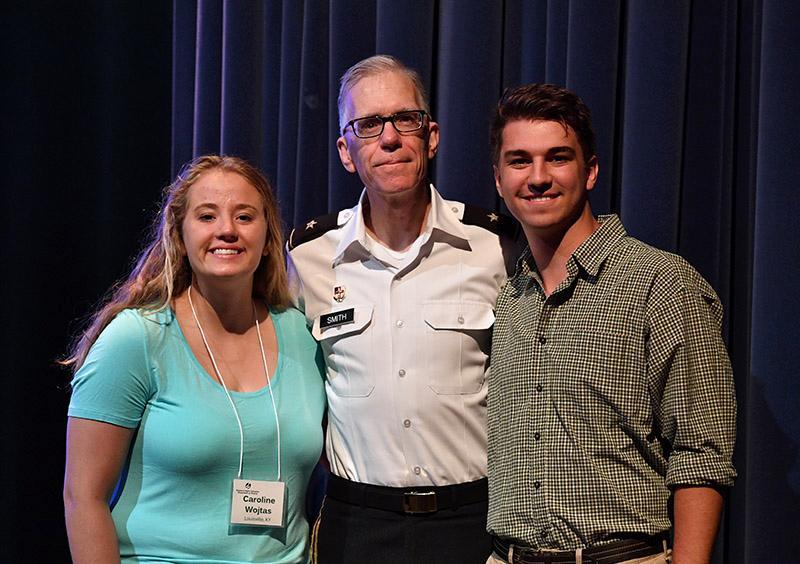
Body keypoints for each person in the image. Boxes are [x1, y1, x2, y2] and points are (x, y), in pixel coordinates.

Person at [486, 83, 737, 564]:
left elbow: (701, 454)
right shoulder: (510, 297)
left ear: (591, 171)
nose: (537, 177)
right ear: (499, 180)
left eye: (557, 158)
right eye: (519, 161)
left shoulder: (662, 284)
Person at [287, 55, 520, 563]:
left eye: (405, 119)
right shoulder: (307, 257)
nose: (389, 138)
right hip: (359, 524)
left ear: (431, 137)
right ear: (346, 152)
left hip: (474, 521)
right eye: (368, 125)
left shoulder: (494, 245)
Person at [63, 155, 326, 564]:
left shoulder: (302, 334)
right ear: (179, 237)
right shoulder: (137, 339)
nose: (227, 230)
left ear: (267, 236)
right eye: (207, 216)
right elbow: (83, 498)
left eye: (245, 216)